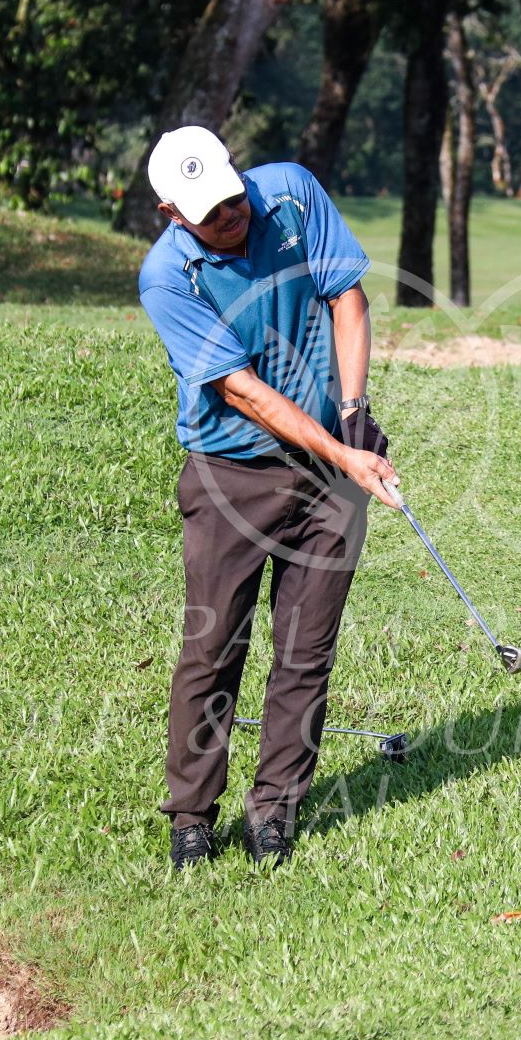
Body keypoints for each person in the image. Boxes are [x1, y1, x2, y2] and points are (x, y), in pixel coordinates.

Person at [136, 126, 399, 869]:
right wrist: (343, 452)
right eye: (209, 211)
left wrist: (353, 413)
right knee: (213, 647)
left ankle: (274, 812)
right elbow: (243, 392)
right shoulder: (167, 279)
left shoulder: (287, 191)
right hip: (232, 475)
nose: (231, 215)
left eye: (230, 196)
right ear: (170, 212)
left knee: (306, 650)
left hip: (329, 466)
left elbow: (347, 299)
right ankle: (191, 815)